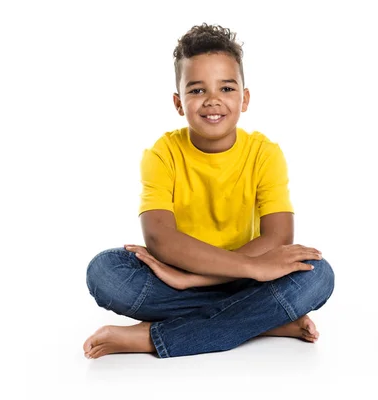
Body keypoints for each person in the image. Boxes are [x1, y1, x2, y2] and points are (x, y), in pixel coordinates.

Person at [83, 23, 335, 359]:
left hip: (240, 278)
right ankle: (262, 321)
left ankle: (152, 339)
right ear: (178, 102)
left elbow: (279, 238)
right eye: (197, 90)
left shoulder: (265, 153)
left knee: (318, 275)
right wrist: (194, 277)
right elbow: (161, 240)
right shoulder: (162, 154)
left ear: (244, 99)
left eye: (227, 88)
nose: (213, 101)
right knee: (106, 273)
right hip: (183, 277)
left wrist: (199, 280)